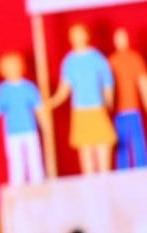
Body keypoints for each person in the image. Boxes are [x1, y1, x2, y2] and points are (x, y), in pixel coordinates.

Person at [46, 22, 117, 175]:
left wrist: (109, 103)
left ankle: (105, 176)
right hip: (80, 110)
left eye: (80, 34)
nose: (77, 38)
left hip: (97, 108)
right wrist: (51, 102)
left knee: (103, 143)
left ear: (87, 35)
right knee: (85, 146)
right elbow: (64, 88)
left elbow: (108, 84)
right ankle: (89, 180)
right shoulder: (69, 62)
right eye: (73, 35)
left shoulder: (98, 59)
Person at [0, 51, 48, 187]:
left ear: (22, 67)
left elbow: (39, 108)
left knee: (34, 157)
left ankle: (38, 183)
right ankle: (17, 186)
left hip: (30, 129)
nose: (13, 69)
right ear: (3, 71)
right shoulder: (3, 91)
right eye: (9, 67)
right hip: (12, 132)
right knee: (16, 160)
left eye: (16, 65)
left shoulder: (29, 88)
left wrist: (46, 126)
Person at [108, 27, 147, 169]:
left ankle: (143, 169)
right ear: (114, 41)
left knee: (138, 142)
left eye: (124, 38)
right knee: (121, 145)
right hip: (118, 111)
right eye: (118, 39)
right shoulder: (111, 61)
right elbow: (107, 87)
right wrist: (108, 107)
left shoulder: (135, 58)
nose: (121, 41)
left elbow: (144, 81)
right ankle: (123, 172)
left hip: (134, 109)